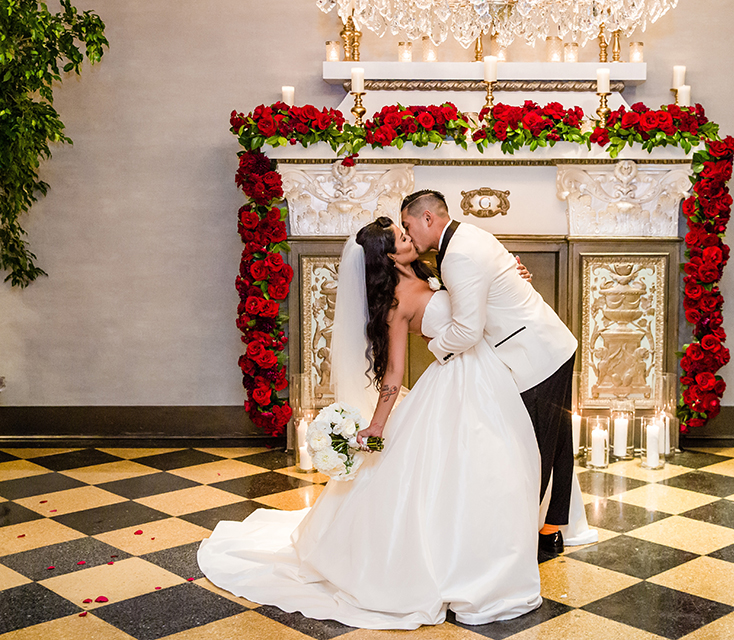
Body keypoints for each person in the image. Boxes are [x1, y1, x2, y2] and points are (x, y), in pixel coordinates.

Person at [197, 217, 542, 630]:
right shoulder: (397, 302)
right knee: (462, 473)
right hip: (454, 381)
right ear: (389, 259)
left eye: (405, 230)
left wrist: (510, 276)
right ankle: (456, 566)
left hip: (485, 375)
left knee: (497, 468)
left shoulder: (431, 268)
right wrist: (378, 425)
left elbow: (475, 295)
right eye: (401, 237)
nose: (410, 237)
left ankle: (486, 558)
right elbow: (393, 372)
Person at [399, 189, 583, 560]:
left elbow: (467, 331)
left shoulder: (458, 255)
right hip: (550, 344)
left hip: (536, 356)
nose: (408, 234)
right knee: (558, 442)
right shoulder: (469, 236)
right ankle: (550, 530)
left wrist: (434, 348)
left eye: (408, 225)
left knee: (536, 449)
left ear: (428, 219)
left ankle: (524, 540)